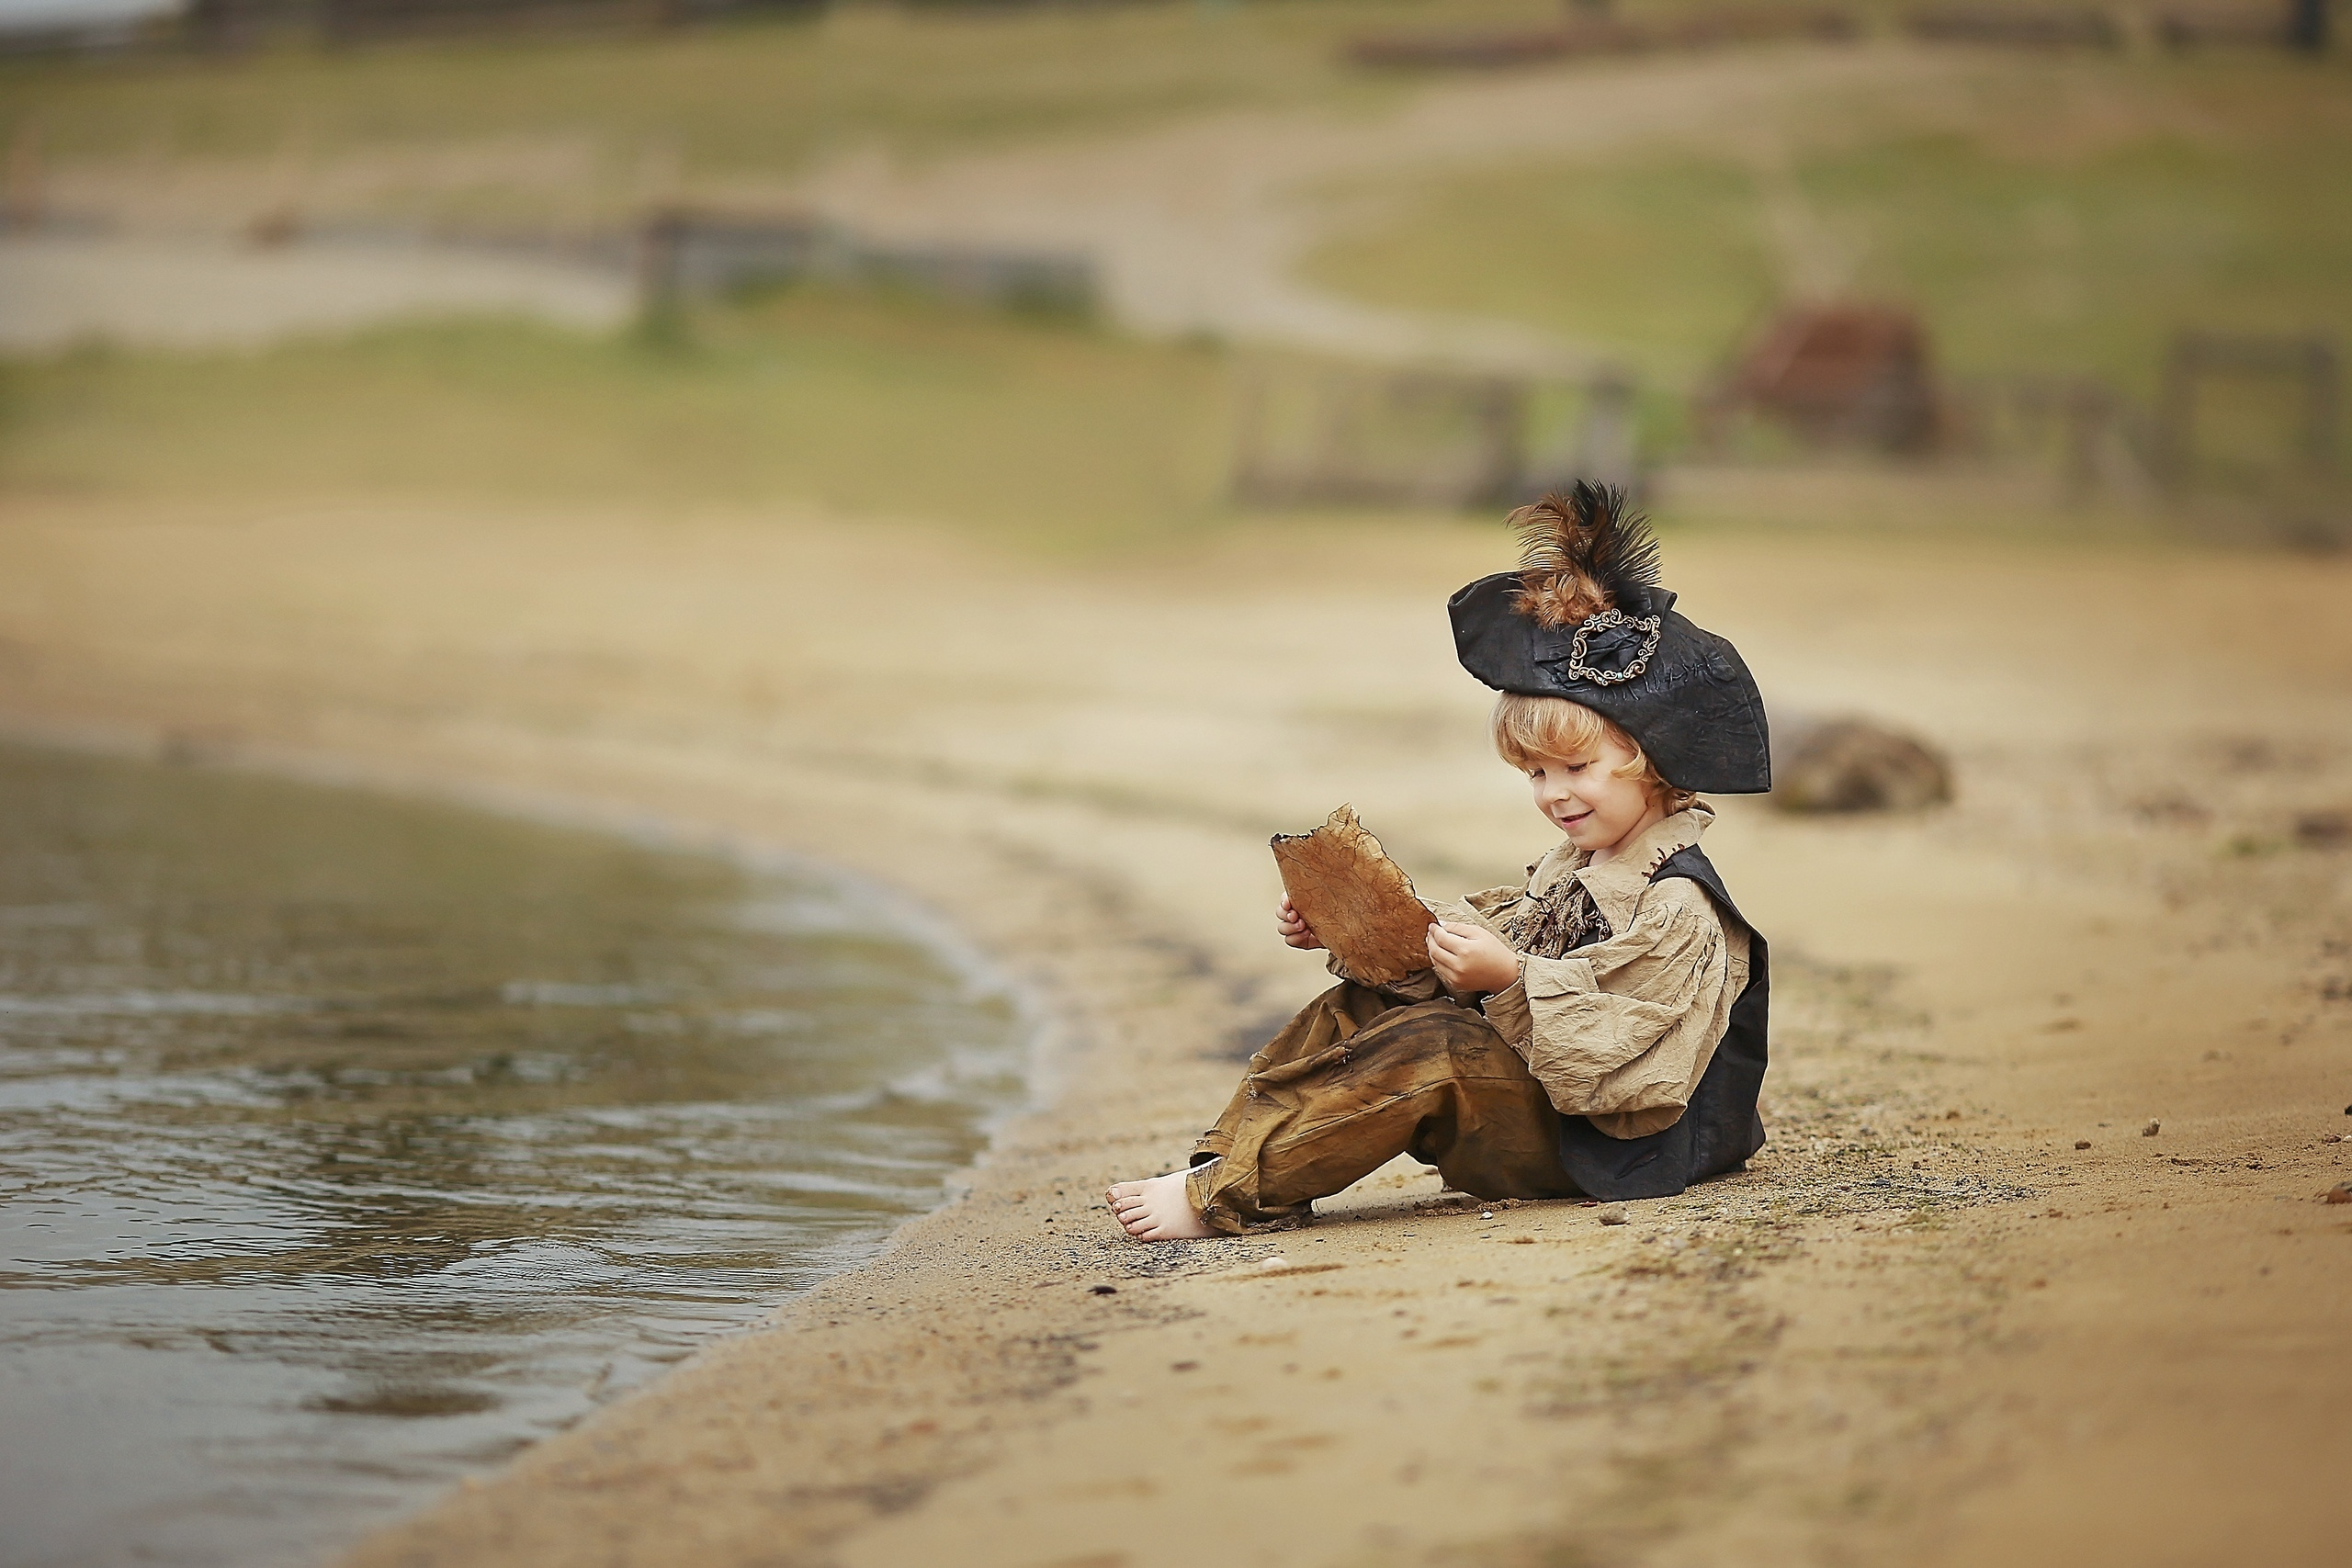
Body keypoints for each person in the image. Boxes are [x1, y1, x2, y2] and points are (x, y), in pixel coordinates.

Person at [1107, 482, 1774, 1240]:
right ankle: (1223, 1163)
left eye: (1575, 767)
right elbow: (1485, 942)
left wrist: (1512, 979)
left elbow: (1627, 1071)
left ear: (1651, 761)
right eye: (1535, 773)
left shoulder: (1678, 902)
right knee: (1360, 1006)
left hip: (1615, 1149)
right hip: (1552, 1103)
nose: (1554, 793)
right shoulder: (1572, 868)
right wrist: (1360, 931)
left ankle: (1223, 1196)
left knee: (1434, 1047)